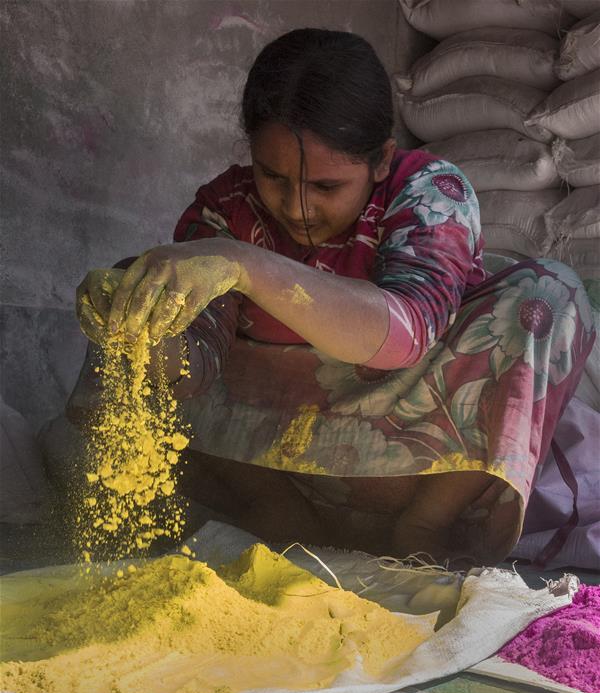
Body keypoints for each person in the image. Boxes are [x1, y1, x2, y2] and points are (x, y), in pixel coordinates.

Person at [71, 28, 595, 566]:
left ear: (382, 161)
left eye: (326, 187)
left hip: (408, 446)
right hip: (279, 455)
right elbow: (193, 368)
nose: (296, 207)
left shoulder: (429, 192)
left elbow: (406, 336)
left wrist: (246, 265)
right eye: (273, 176)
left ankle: (425, 525)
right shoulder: (226, 208)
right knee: (136, 287)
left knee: (547, 295)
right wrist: (142, 326)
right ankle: (274, 512)